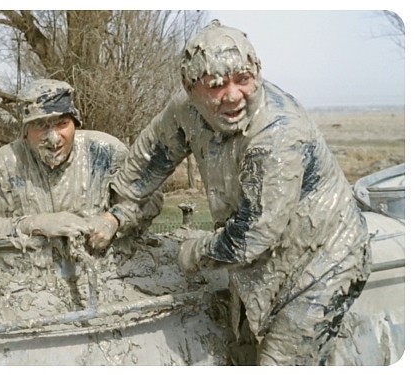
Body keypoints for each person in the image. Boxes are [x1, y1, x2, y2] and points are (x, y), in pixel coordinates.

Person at [85, 21, 371, 365]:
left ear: (257, 74)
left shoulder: (278, 135)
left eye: (243, 80)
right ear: (192, 90)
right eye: (216, 85)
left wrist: (196, 251)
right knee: (240, 351)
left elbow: (252, 235)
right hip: (264, 257)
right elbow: (148, 161)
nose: (233, 95)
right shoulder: (185, 111)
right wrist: (113, 213)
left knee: (283, 360)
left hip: (326, 258)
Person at [0, 79, 162, 260]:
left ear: (75, 122)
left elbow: (151, 198)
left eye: (62, 123)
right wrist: (36, 223)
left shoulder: (107, 152)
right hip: (32, 273)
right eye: (40, 125)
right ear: (25, 130)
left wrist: (114, 219)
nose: (53, 139)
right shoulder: (7, 162)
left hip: (104, 266)